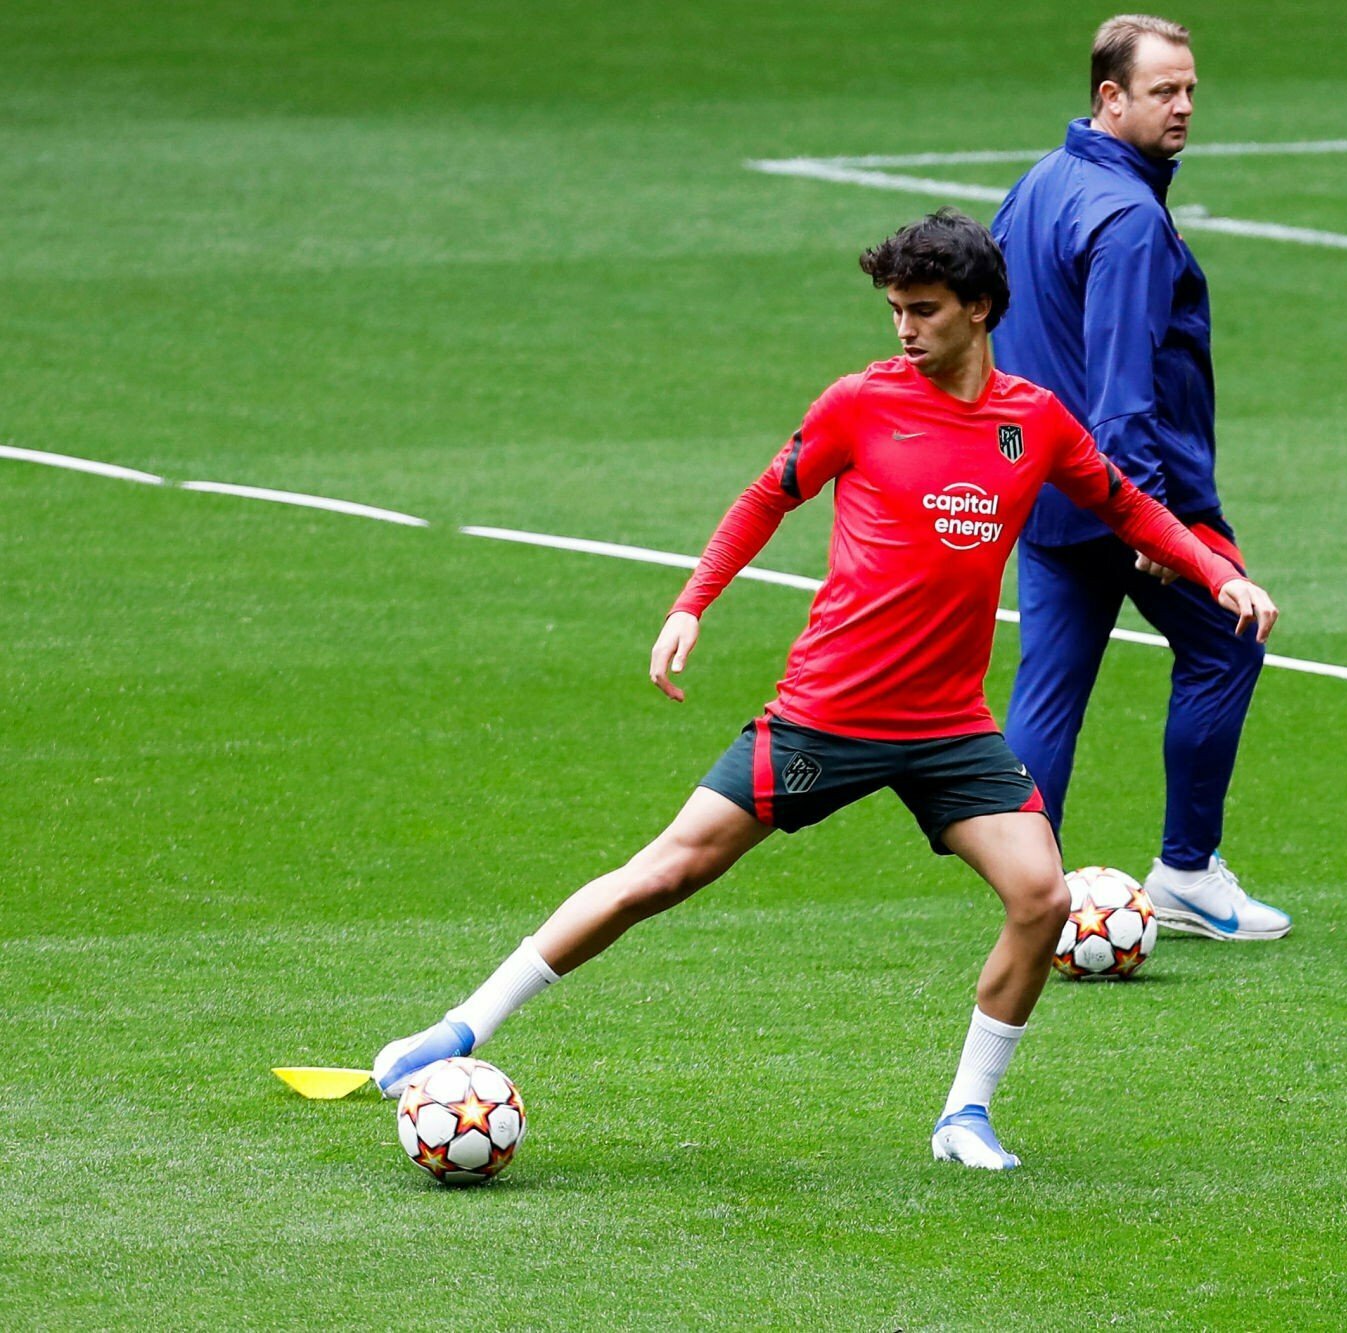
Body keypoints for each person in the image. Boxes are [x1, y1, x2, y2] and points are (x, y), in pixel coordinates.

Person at [371, 209, 1278, 1172]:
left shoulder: (1034, 422)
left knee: (1041, 896)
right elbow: (769, 493)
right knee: (664, 872)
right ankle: (461, 1026)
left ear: (979, 309)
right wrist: (693, 603)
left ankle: (963, 1115)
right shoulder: (860, 403)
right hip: (827, 713)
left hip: (947, 727)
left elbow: (1126, 503)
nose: (903, 328)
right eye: (893, 309)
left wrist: (1216, 569)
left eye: (923, 310)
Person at [989, 14, 1289, 941]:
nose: (1185, 107)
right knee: (1229, 640)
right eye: (1165, 91)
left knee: (1051, 686)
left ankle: (1027, 889)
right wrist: (1152, 520)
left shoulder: (1037, 184)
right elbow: (1123, 391)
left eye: (1192, 89)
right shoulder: (1127, 221)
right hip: (1120, 494)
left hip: (1039, 486)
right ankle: (1188, 871)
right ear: (1110, 98)